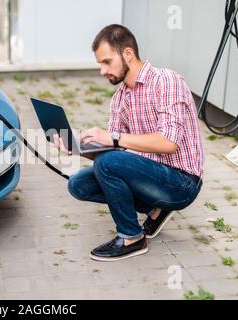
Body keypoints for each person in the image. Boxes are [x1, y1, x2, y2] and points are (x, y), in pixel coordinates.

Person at [52, 24, 204, 261]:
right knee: (78, 185)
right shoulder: (120, 97)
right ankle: (155, 208)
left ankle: (132, 237)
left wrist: (111, 139)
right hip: (148, 173)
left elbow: (168, 143)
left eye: (106, 62)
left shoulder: (167, 81)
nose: (102, 71)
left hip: (181, 182)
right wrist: (78, 148)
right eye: (99, 64)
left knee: (108, 162)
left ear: (128, 54)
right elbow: (114, 152)